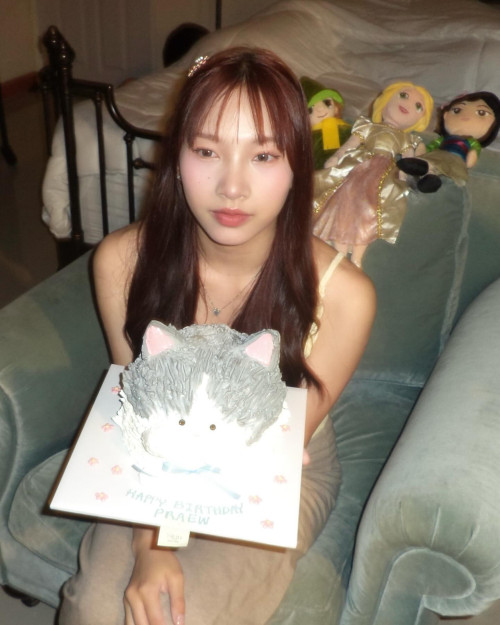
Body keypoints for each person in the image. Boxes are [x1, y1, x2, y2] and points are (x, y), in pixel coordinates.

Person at [58, 47, 376, 625]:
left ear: (297, 166)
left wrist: (161, 547)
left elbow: (257, 452)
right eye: (207, 151)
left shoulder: (344, 294)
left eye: (263, 155)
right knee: (95, 609)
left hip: (272, 459)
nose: (232, 187)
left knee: (185, 614)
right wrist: (151, 547)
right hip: (154, 443)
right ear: (176, 157)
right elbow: (141, 408)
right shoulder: (120, 261)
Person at [313, 82, 433, 266]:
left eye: (418, 106)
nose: (408, 104)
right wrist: (337, 157)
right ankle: (339, 251)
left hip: (383, 173)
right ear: (385, 99)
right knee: (344, 200)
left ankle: (357, 259)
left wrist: (405, 175)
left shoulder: (406, 138)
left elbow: (408, 161)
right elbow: (349, 145)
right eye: (403, 95)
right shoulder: (367, 126)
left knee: (369, 210)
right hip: (359, 166)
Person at [396, 91, 500, 192]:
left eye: (481, 113)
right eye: (457, 110)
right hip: (436, 156)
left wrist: (471, 158)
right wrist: (423, 151)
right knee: (430, 160)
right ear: (446, 115)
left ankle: (427, 174)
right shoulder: (442, 139)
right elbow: (432, 145)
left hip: (456, 161)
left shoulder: (471, 142)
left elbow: (474, 152)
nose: (465, 116)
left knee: (444, 167)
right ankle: (424, 172)